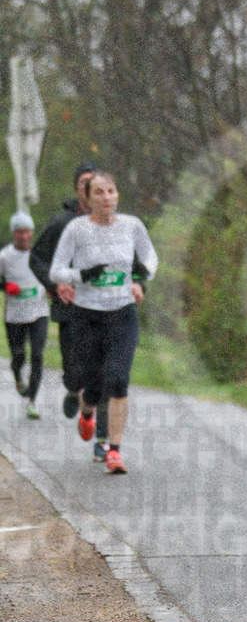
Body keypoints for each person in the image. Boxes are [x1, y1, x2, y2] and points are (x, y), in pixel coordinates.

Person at [49, 172, 158, 474]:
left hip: (122, 313)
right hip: (87, 315)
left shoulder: (132, 226)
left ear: (118, 194)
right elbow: (58, 270)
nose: (106, 197)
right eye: (99, 192)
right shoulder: (76, 230)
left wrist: (138, 280)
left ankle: (114, 450)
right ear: (88, 198)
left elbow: (150, 259)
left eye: (111, 191)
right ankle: (87, 413)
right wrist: (81, 276)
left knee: (119, 379)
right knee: (93, 385)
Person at [29, 161, 110, 459]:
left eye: (96, 184)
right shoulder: (62, 223)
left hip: (104, 310)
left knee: (103, 373)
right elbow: (37, 258)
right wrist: (54, 284)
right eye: (84, 184)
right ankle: (74, 389)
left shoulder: (114, 224)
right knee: (75, 374)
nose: (91, 191)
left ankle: (102, 438)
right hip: (70, 311)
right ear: (77, 189)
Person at [0, 212, 50, 419]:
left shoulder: (39, 254)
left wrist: (52, 288)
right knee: (19, 355)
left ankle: (32, 401)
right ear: (14, 233)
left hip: (39, 311)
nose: (23, 236)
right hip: (14, 314)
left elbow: (51, 274)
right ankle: (18, 375)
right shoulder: (5, 257)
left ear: (32, 232)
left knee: (37, 355)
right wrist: (5, 286)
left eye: (26, 231)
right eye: (19, 232)